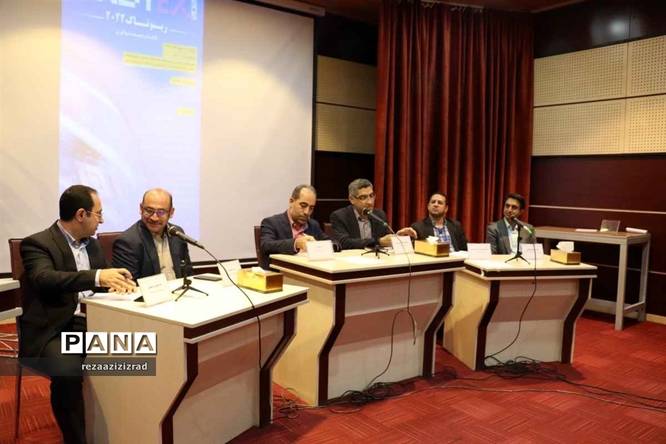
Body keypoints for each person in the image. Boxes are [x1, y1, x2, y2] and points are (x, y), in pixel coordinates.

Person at [20, 185, 136, 444]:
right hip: (55, 329)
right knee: (68, 372)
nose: (102, 220)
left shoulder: (92, 245)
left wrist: (119, 282)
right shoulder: (37, 243)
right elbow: (44, 279)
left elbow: (102, 279)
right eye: (99, 213)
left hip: (94, 321)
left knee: (141, 348)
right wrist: (97, 277)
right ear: (81, 214)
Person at [112, 188, 191, 281]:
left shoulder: (177, 233)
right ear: (141, 209)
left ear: (171, 212)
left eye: (161, 212)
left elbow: (188, 273)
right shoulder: (127, 242)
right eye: (149, 211)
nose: (154, 218)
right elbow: (130, 284)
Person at [260, 185, 329, 269]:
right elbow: (266, 246)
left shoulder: (313, 224)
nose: (307, 212)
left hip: (309, 271)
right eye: (303, 205)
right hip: (282, 272)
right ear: (291, 201)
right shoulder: (271, 222)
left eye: (311, 208)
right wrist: (296, 243)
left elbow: (331, 243)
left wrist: (317, 245)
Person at [330, 178, 393, 250]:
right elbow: (344, 242)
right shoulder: (339, 216)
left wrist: (396, 238)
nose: (370, 202)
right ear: (351, 199)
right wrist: (378, 241)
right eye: (363, 197)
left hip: (376, 256)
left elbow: (385, 239)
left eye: (371, 195)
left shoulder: (379, 215)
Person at [397, 192, 468, 251]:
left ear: (446, 208)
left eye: (440, 203)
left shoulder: (455, 225)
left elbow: (465, 249)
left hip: (456, 261)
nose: (435, 205)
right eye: (433, 202)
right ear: (428, 206)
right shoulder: (418, 227)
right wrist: (400, 237)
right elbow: (409, 250)